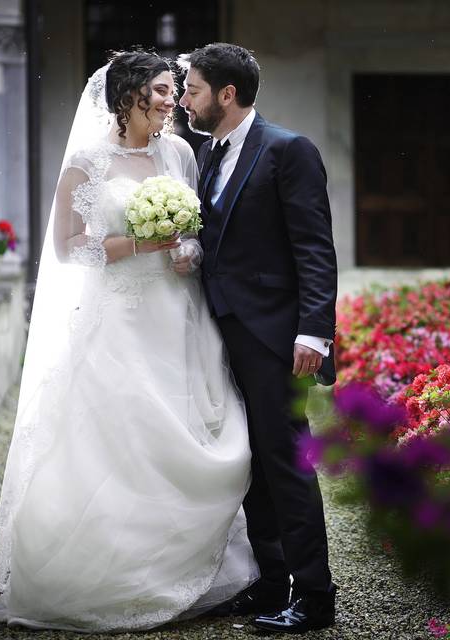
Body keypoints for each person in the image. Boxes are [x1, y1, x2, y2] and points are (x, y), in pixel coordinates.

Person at [0, 49, 258, 632]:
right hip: (119, 318)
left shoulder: (181, 153)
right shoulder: (86, 163)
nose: (171, 101)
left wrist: (185, 248)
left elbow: (194, 233)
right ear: (127, 96)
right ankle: (115, 573)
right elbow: (69, 248)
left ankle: (187, 570)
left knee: (191, 425)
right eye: (161, 91)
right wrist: (141, 243)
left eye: (173, 91)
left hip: (180, 313)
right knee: (120, 435)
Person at [177, 42, 339, 634]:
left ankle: (314, 596)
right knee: (248, 461)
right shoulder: (203, 151)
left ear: (226, 94)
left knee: (286, 461)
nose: (185, 101)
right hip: (218, 332)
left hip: (275, 336)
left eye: (192, 90)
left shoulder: (288, 150)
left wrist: (315, 332)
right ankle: (269, 583)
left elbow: (314, 247)